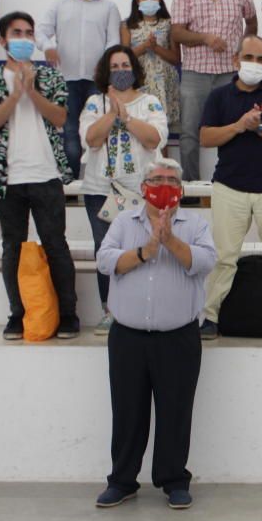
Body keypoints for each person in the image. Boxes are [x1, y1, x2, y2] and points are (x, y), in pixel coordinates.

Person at [94, 158, 216, 511]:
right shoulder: (123, 220)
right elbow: (104, 261)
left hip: (178, 337)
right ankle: (121, 481)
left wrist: (170, 241)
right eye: (157, 178)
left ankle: (174, 480)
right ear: (143, 186)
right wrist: (146, 251)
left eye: (171, 179)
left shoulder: (195, 223)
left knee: (175, 412)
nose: (164, 184)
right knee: (128, 411)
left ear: (181, 188)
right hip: (128, 338)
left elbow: (206, 262)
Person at [0, 11, 80, 341]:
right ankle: (17, 314)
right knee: (12, 247)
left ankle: (67, 315)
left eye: (29, 33)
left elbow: (61, 118)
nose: (24, 38)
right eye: (16, 33)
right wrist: (15, 95)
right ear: (3, 41)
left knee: (56, 244)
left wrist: (31, 92)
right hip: (6, 181)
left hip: (46, 174)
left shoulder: (49, 78)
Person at [198, 35, 262, 342]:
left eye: (260, 59)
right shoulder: (219, 97)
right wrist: (239, 125)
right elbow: (205, 137)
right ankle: (210, 316)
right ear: (235, 60)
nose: (254, 64)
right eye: (249, 58)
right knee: (223, 255)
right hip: (229, 186)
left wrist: (259, 126)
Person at [80, 46, 168, 336]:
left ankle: (142, 306)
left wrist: (127, 117)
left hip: (140, 194)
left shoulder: (150, 102)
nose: (120, 71)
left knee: (143, 248)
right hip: (100, 191)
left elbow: (154, 139)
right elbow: (91, 139)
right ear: (107, 70)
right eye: (115, 66)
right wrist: (111, 110)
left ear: (134, 69)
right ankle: (110, 309)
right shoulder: (94, 102)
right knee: (106, 251)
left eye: (125, 65)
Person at [171, 0, 257, 183]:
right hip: (194, 73)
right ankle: (190, 188)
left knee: (235, 129)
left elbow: (251, 23)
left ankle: (232, 182)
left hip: (230, 73)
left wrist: (243, 49)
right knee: (189, 132)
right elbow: (176, 33)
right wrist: (205, 38)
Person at [36, 0, 121, 179]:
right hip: (67, 79)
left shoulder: (108, 7)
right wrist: (48, 47)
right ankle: (70, 183)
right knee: (71, 133)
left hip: (97, 81)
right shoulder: (60, 5)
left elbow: (113, 41)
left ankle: (98, 181)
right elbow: (41, 32)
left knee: (97, 132)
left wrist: (103, 68)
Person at [120, 0, 181, 140]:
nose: (149, 0)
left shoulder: (169, 23)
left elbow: (176, 58)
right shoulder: (127, 25)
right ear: (137, 1)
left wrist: (156, 48)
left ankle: (162, 163)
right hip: (139, 80)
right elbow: (124, 57)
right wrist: (145, 46)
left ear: (159, 0)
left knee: (160, 129)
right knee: (138, 126)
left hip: (164, 82)